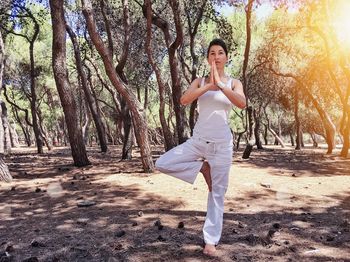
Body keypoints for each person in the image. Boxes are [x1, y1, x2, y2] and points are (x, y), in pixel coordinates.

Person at [155, 38, 246, 256]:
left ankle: (210, 241)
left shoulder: (233, 83)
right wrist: (208, 85)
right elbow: (184, 100)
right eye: (212, 53)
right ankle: (201, 168)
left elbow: (242, 103)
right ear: (208, 58)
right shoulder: (199, 81)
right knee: (162, 163)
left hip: (222, 146)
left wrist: (221, 85)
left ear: (226, 57)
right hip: (197, 142)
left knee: (217, 193)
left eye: (220, 52)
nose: (216, 56)